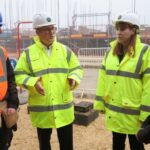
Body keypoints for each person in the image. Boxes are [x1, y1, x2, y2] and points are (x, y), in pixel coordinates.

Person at [15, 13, 83, 150]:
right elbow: (18, 74)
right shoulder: (28, 53)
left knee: (67, 145)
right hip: (42, 109)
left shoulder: (65, 51)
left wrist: (73, 78)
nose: (51, 32)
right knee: (44, 145)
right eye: (47, 29)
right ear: (37, 32)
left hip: (63, 109)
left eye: (53, 28)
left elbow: (77, 69)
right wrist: (33, 82)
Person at [94, 12, 150, 150]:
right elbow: (103, 79)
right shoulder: (110, 52)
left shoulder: (145, 52)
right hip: (115, 112)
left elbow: (149, 86)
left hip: (134, 115)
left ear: (133, 30)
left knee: (136, 145)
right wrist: (100, 103)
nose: (118, 32)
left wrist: (146, 114)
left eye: (123, 28)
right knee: (117, 144)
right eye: (117, 28)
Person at [0, 12, 19, 149]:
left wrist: (12, 104)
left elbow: (11, 80)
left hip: (4, 107)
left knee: (4, 143)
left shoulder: (2, 52)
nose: (1, 30)